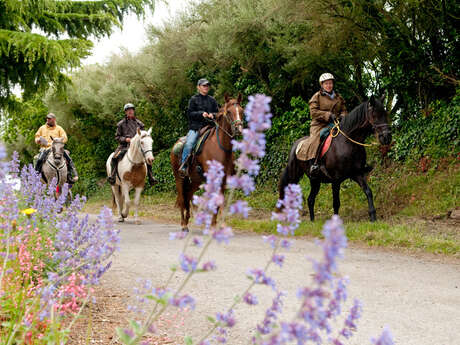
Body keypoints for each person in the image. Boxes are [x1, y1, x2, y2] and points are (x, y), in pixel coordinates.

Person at [107, 103, 157, 186]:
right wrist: (125, 139)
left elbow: (144, 136)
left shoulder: (140, 124)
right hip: (124, 146)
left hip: (137, 147)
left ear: (133, 111)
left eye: (131, 110)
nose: (130, 111)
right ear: (126, 112)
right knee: (114, 157)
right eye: (128, 110)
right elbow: (117, 137)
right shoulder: (121, 124)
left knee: (148, 157)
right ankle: (112, 176)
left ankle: (151, 177)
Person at [308, 73, 347, 176]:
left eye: (330, 83)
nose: (329, 85)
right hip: (319, 125)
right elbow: (313, 112)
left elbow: (344, 110)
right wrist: (328, 115)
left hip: (336, 123)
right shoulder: (317, 96)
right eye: (326, 84)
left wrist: (343, 115)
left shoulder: (338, 97)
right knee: (320, 136)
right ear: (322, 85)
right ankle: (316, 164)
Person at [179, 78, 219, 176]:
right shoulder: (193, 99)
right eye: (204, 85)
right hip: (197, 127)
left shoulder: (212, 100)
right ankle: (184, 165)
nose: (206, 87)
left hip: (211, 126)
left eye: (207, 86)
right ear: (198, 87)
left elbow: (218, 112)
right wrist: (201, 114)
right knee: (189, 143)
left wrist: (213, 115)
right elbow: (190, 114)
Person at [34, 113, 78, 183]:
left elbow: (65, 138)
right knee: (39, 159)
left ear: (54, 119)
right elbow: (36, 137)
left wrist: (58, 141)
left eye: (49, 119)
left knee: (68, 158)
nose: (48, 120)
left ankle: (71, 175)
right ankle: (35, 177)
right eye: (47, 118)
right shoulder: (42, 128)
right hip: (45, 148)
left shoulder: (59, 128)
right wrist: (38, 140)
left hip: (57, 148)